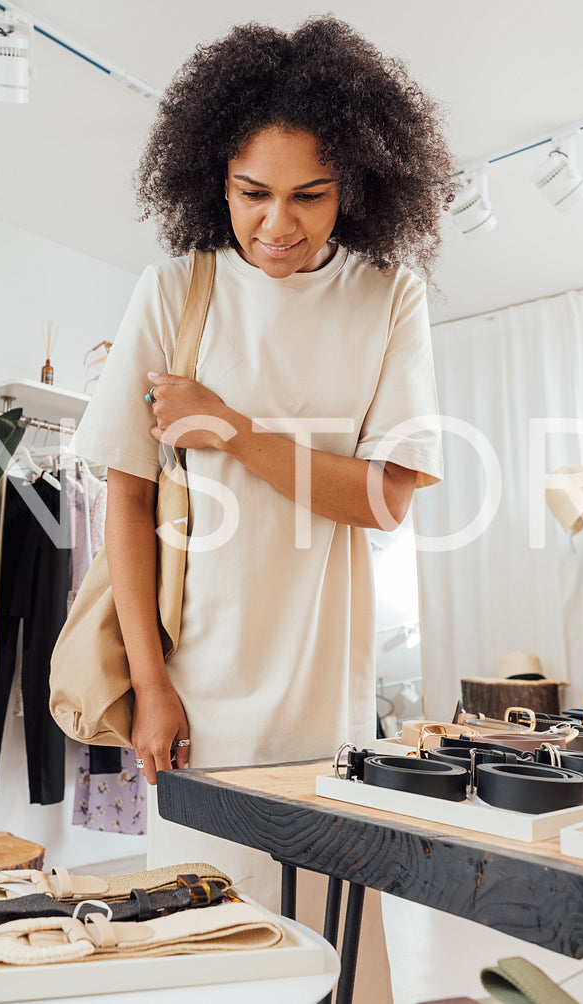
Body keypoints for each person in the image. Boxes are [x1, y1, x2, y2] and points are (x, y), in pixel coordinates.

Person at [71, 9, 452, 931]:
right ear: (216, 181)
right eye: (251, 194)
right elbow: (125, 501)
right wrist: (153, 687)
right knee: (203, 942)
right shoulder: (171, 292)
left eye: (309, 196)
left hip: (330, 698)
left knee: (324, 940)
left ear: (353, 188)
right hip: (195, 695)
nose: (275, 225)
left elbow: (385, 499)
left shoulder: (386, 297)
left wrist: (234, 431)